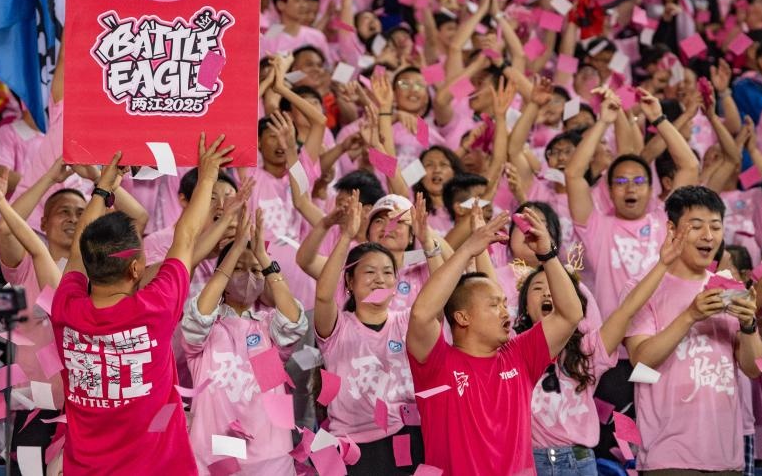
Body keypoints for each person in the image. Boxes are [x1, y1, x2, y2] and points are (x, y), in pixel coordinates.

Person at [51, 134, 232, 475]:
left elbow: (77, 252)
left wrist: (102, 189)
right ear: (135, 269)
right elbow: (186, 237)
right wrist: (208, 176)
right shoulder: (156, 307)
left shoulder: (65, 308)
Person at [407, 210, 582, 475]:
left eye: (504, 303)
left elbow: (570, 315)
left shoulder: (520, 355)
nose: (505, 312)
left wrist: (547, 254)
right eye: (494, 305)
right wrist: (468, 249)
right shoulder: (435, 363)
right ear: (462, 317)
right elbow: (421, 314)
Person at [520, 207, 686, 476]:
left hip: (579, 463)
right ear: (525, 307)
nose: (548, 293)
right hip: (529, 462)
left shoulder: (588, 351)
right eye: (538, 288)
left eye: (556, 289)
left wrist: (663, 264)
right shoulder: (513, 352)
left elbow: (627, 310)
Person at [624, 186, 762, 475]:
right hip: (668, 457)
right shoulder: (643, 288)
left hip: (727, 457)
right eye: (697, 226)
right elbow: (640, 360)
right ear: (672, 229)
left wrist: (749, 325)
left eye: (716, 226)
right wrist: (690, 315)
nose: (708, 236)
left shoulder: (729, 288)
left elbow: (753, 368)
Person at [182, 210, 307, 475]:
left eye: (255, 270)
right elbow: (198, 317)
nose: (248, 275)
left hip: (271, 461)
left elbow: (295, 322)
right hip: (214, 459)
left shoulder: (268, 327)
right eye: (237, 268)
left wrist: (264, 258)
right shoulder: (208, 330)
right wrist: (236, 248)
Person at [314, 190, 424, 474]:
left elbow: (438, 299)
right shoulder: (338, 326)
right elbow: (323, 295)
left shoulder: (406, 320)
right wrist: (346, 236)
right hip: (352, 449)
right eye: (369, 272)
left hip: (404, 438)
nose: (380, 279)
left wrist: (428, 242)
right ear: (349, 282)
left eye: (387, 272)